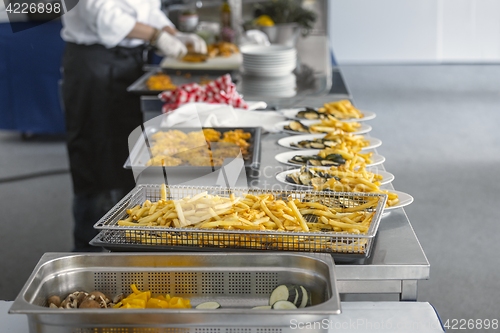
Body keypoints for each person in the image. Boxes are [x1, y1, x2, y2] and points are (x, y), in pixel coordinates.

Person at [61, 0, 207, 251]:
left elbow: (147, 9)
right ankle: (90, 254)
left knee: (127, 157)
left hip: (127, 64)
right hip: (94, 65)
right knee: (97, 164)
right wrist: (156, 35)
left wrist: (174, 33)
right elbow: (104, 16)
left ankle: (125, 248)